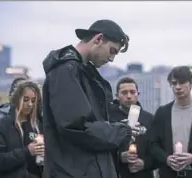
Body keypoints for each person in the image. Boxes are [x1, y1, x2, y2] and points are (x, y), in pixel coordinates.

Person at [42, 19, 132, 178]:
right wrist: (119, 131)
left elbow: (88, 125)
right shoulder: (65, 71)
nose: (111, 59)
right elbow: (76, 127)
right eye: (112, 51)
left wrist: (116, 128)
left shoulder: (83, 74)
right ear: (98, 39)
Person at [148, 66, 192, 178]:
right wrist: (166, 158)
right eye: (174, 83)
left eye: (182, 83)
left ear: (191, 84)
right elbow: (152, 144)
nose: (178, 87)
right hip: (168, 174)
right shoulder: (162, 113)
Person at [0, 81, 44, 178]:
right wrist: (27, 152)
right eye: (25, 99)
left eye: (33, 100)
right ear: (17, 99)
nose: (30, 104)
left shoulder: (40, 126)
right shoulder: (0, 126)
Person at [109, 77, 157, 178]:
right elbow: (100, 149)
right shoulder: (109, 119)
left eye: (132, 92)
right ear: (117, 96)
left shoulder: (150, 119)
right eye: (124, 93)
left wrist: (145, 163)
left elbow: (158, 150)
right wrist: (119, 157)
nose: (129, 96)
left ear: (138, 94)